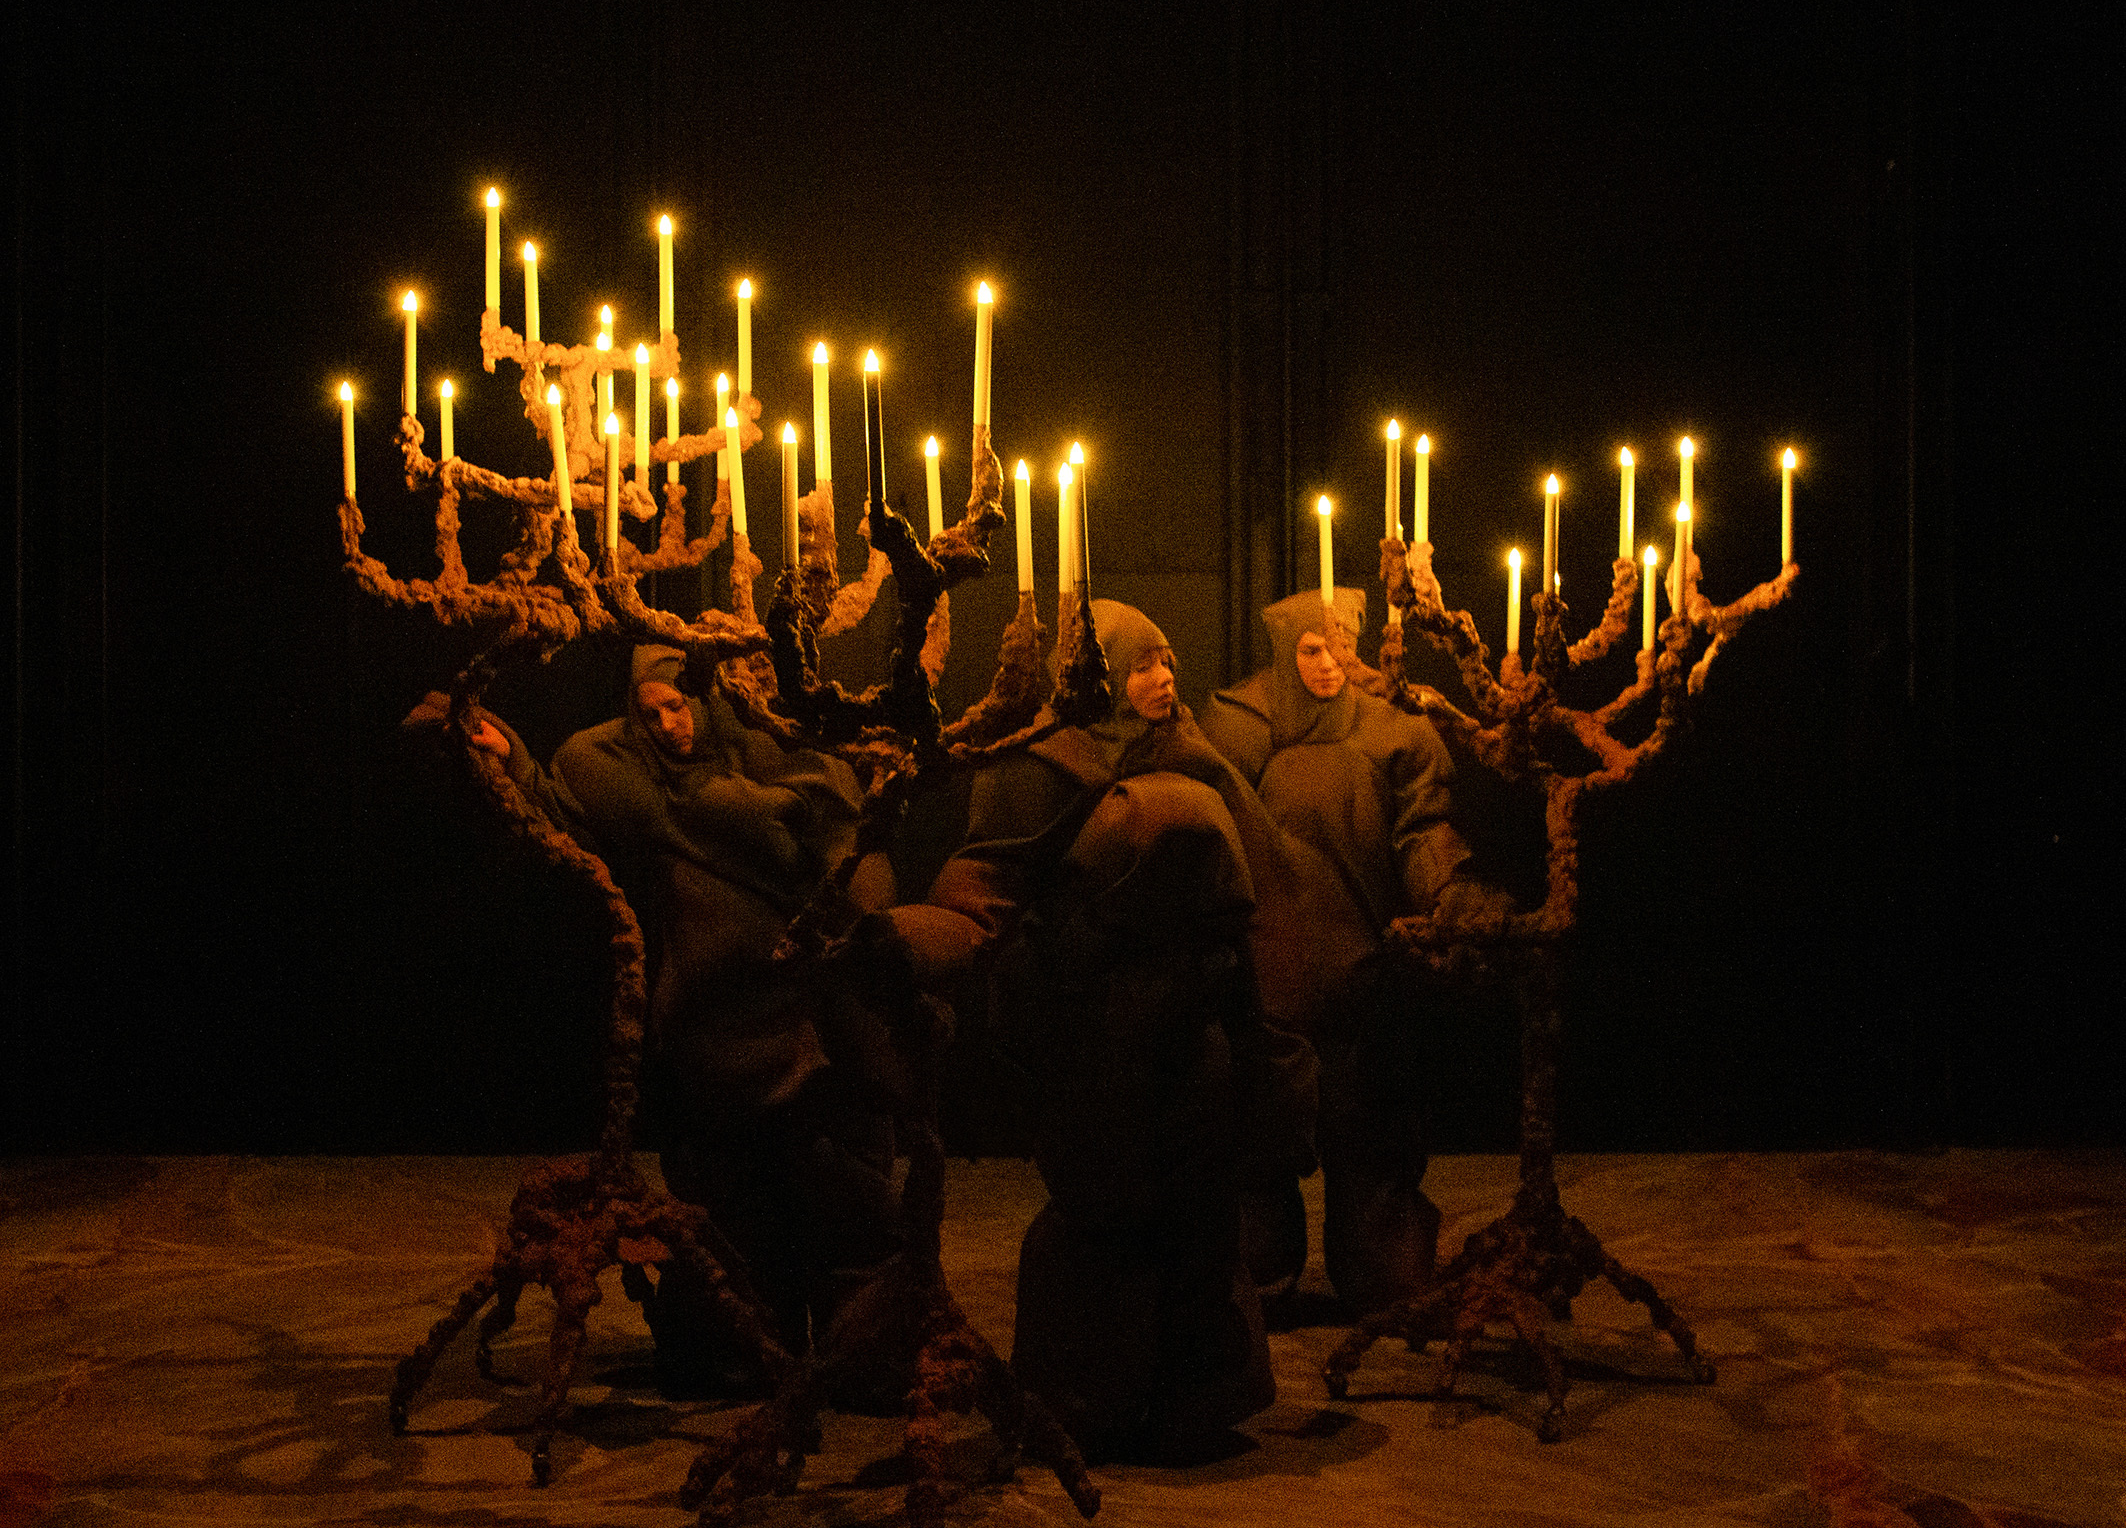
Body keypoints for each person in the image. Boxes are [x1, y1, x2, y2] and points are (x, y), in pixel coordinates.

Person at [883, 600, 1316, 1464]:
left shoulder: (1195, 756)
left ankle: (1199, 1394)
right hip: (1096, 1035)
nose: (1163, 678)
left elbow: (1256, 887)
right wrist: (917, 942)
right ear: (1099, 675)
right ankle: (1089, 1395)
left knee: (1198, 1214)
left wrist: (1260, 1031)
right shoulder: (1042, 766)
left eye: (1168, 660)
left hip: (1195, 1027)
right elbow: (988, 876)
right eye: (1141, 663)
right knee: (1106, 1211)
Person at [443, 644, 902, 1377]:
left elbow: (853, 851)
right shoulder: (632, 783)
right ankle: (740, 1348)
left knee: (842, 1199)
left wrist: (866, 948)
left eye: (678, 706)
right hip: (712, 1024)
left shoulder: (786, 762)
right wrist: (513, 761)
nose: (667, 725)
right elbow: (564, 821)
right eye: (649, 712)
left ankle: (866, 1352)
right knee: (730, 1209)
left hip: (808, 1019)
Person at [1201, 587, 1489, 1317]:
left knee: (1372, 1146)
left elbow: (1424, 830)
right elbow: (1208, 839)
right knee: (1256, 1156)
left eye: (1342, 646)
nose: (1329, 663)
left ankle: (1379, 1261)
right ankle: (1256, 1269)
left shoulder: (1394, 730)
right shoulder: (1236, 728)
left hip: (1363, 980)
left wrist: (1451, 895)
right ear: (1285, 649)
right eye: (1312, 648)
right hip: (1262, 990)